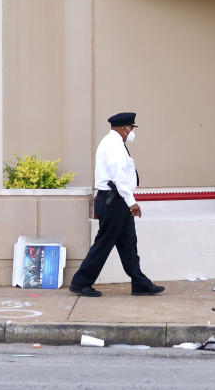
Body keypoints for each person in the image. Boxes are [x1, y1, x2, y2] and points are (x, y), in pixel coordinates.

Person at [69, 111, 165, 297]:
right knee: (104, 243)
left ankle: (139, 283)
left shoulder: (113, 143)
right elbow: (119, 177)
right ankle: (81, 282)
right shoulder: (114, 145)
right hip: (115, 201)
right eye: (131, 128)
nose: (132, 132)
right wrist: (132, 202)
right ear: (124, 128)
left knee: (128, 243)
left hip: (116, 201)